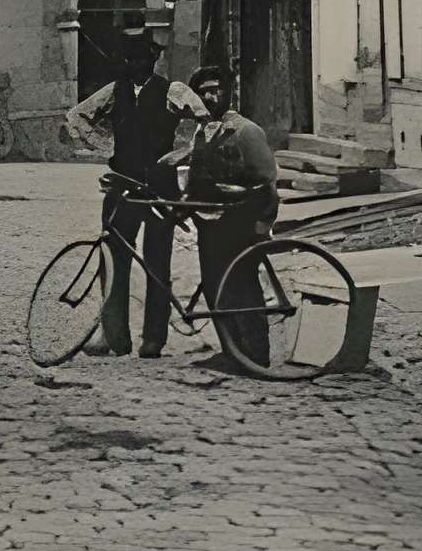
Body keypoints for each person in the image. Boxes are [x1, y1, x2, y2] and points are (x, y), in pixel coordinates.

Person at [66, 29, 206, 358]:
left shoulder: (173, 91)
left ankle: (153, 339)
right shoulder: (115, 91)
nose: (136, 64)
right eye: (130, 59)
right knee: (113, 260)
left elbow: (206, 120)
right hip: (122, 186)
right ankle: (114, 336)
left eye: (143, 58)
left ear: (154, 60)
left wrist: (183, 153)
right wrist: (107, 147)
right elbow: (76, 117)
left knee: (158, 263)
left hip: (159, 189)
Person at [181, 65, 280, 365]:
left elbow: (267, 180)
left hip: (241, 222)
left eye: (215, 90)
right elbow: (198, 179)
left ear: (228, 93)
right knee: (215, 289)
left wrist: (264, 221)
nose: (210, 97)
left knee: (242, 288)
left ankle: (255, 355)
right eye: (203, 92)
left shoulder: (247, 131)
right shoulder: (201, 133)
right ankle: (231, 352)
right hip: (210, 223)